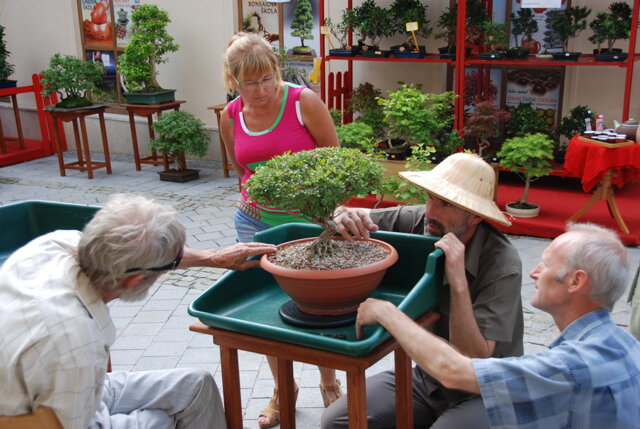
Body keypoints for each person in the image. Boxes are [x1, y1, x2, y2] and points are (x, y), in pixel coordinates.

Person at [0, 194, 277, 429]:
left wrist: (212, 258)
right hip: (42, 417)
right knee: (157, 420)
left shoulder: (56, 244)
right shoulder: (76, 339)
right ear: (134, 281)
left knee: (196, 386)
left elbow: (145, 254)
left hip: (65, 387)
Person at [352, 223, 640, 428]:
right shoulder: (626, 344)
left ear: (576, 281)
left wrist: (390, 314)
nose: (535, 273)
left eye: (546, 263)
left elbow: (454, 371)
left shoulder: (572, 366)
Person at [322, 153, 524, 428]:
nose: (430, 210)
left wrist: (459, 284)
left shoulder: (503, 263)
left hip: (487, 388)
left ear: (475, 215)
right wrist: (341, 216)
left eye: (445, 203)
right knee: (337, 419)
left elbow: (473, 359)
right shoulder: (423, 221)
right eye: (429, 197)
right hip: (429, 378)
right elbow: (356, 216)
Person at [220, 32, 341, 428]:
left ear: (277, 70)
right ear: (234, 81)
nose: (262, 90)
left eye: (267, 77)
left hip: (310, 224)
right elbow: (242, 170)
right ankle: (281, 390)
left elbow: (333, 160)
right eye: (250, 82)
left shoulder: (302, 101)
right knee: (267, 311)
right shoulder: (231, 114)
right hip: (255, 224)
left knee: (319, 306)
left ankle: (328, 383)